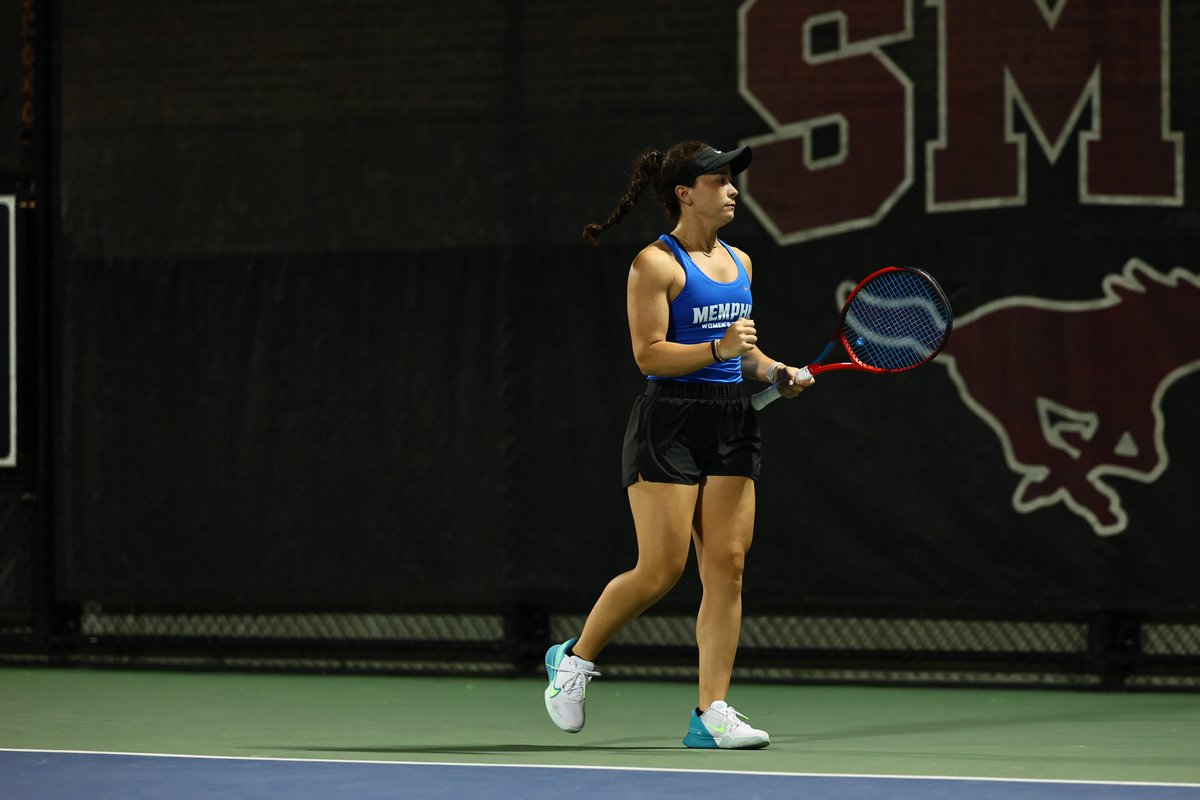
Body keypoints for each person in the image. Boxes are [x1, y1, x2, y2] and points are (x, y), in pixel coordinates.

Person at [543, 141, 814, 749]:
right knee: (661, 569)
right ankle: (574, 659)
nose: (732, 190)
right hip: (670, 421)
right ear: (684, 194)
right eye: (717, 180)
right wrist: (718, 351)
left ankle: (711, 712)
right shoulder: (653, 265)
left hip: (733, 421)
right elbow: (650, 354)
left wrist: (774, 374)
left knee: (728, 566)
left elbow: (745, 353)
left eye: (732, 180)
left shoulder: (742, 261)